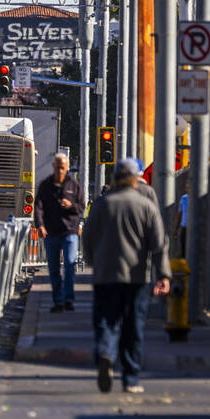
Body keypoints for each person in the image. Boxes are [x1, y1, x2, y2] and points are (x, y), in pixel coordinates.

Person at [83, 159, 172, 394]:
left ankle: (105, 353)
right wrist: (163, 275)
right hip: (136, 276)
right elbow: (159, 243)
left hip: (105, 275)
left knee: (106, 321)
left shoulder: (102, 204)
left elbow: (88, 237)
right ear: (135, 179)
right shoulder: (146, 205)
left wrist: (93, 262)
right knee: (133, 327)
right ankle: (131, 378)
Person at [33, 153, 86, 313]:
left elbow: (81, 207)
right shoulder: (46, 185)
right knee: (54, 269)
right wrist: (40, 225)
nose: (60, 171)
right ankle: (58, 301)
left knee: (69, 265)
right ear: (54, 167)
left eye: (63, 168)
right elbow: (38, 208)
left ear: (67, 168)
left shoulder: (73, 185)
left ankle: (68, 299)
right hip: (52, 232)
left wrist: (70, 205)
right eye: (58, 167)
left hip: (69, 231)